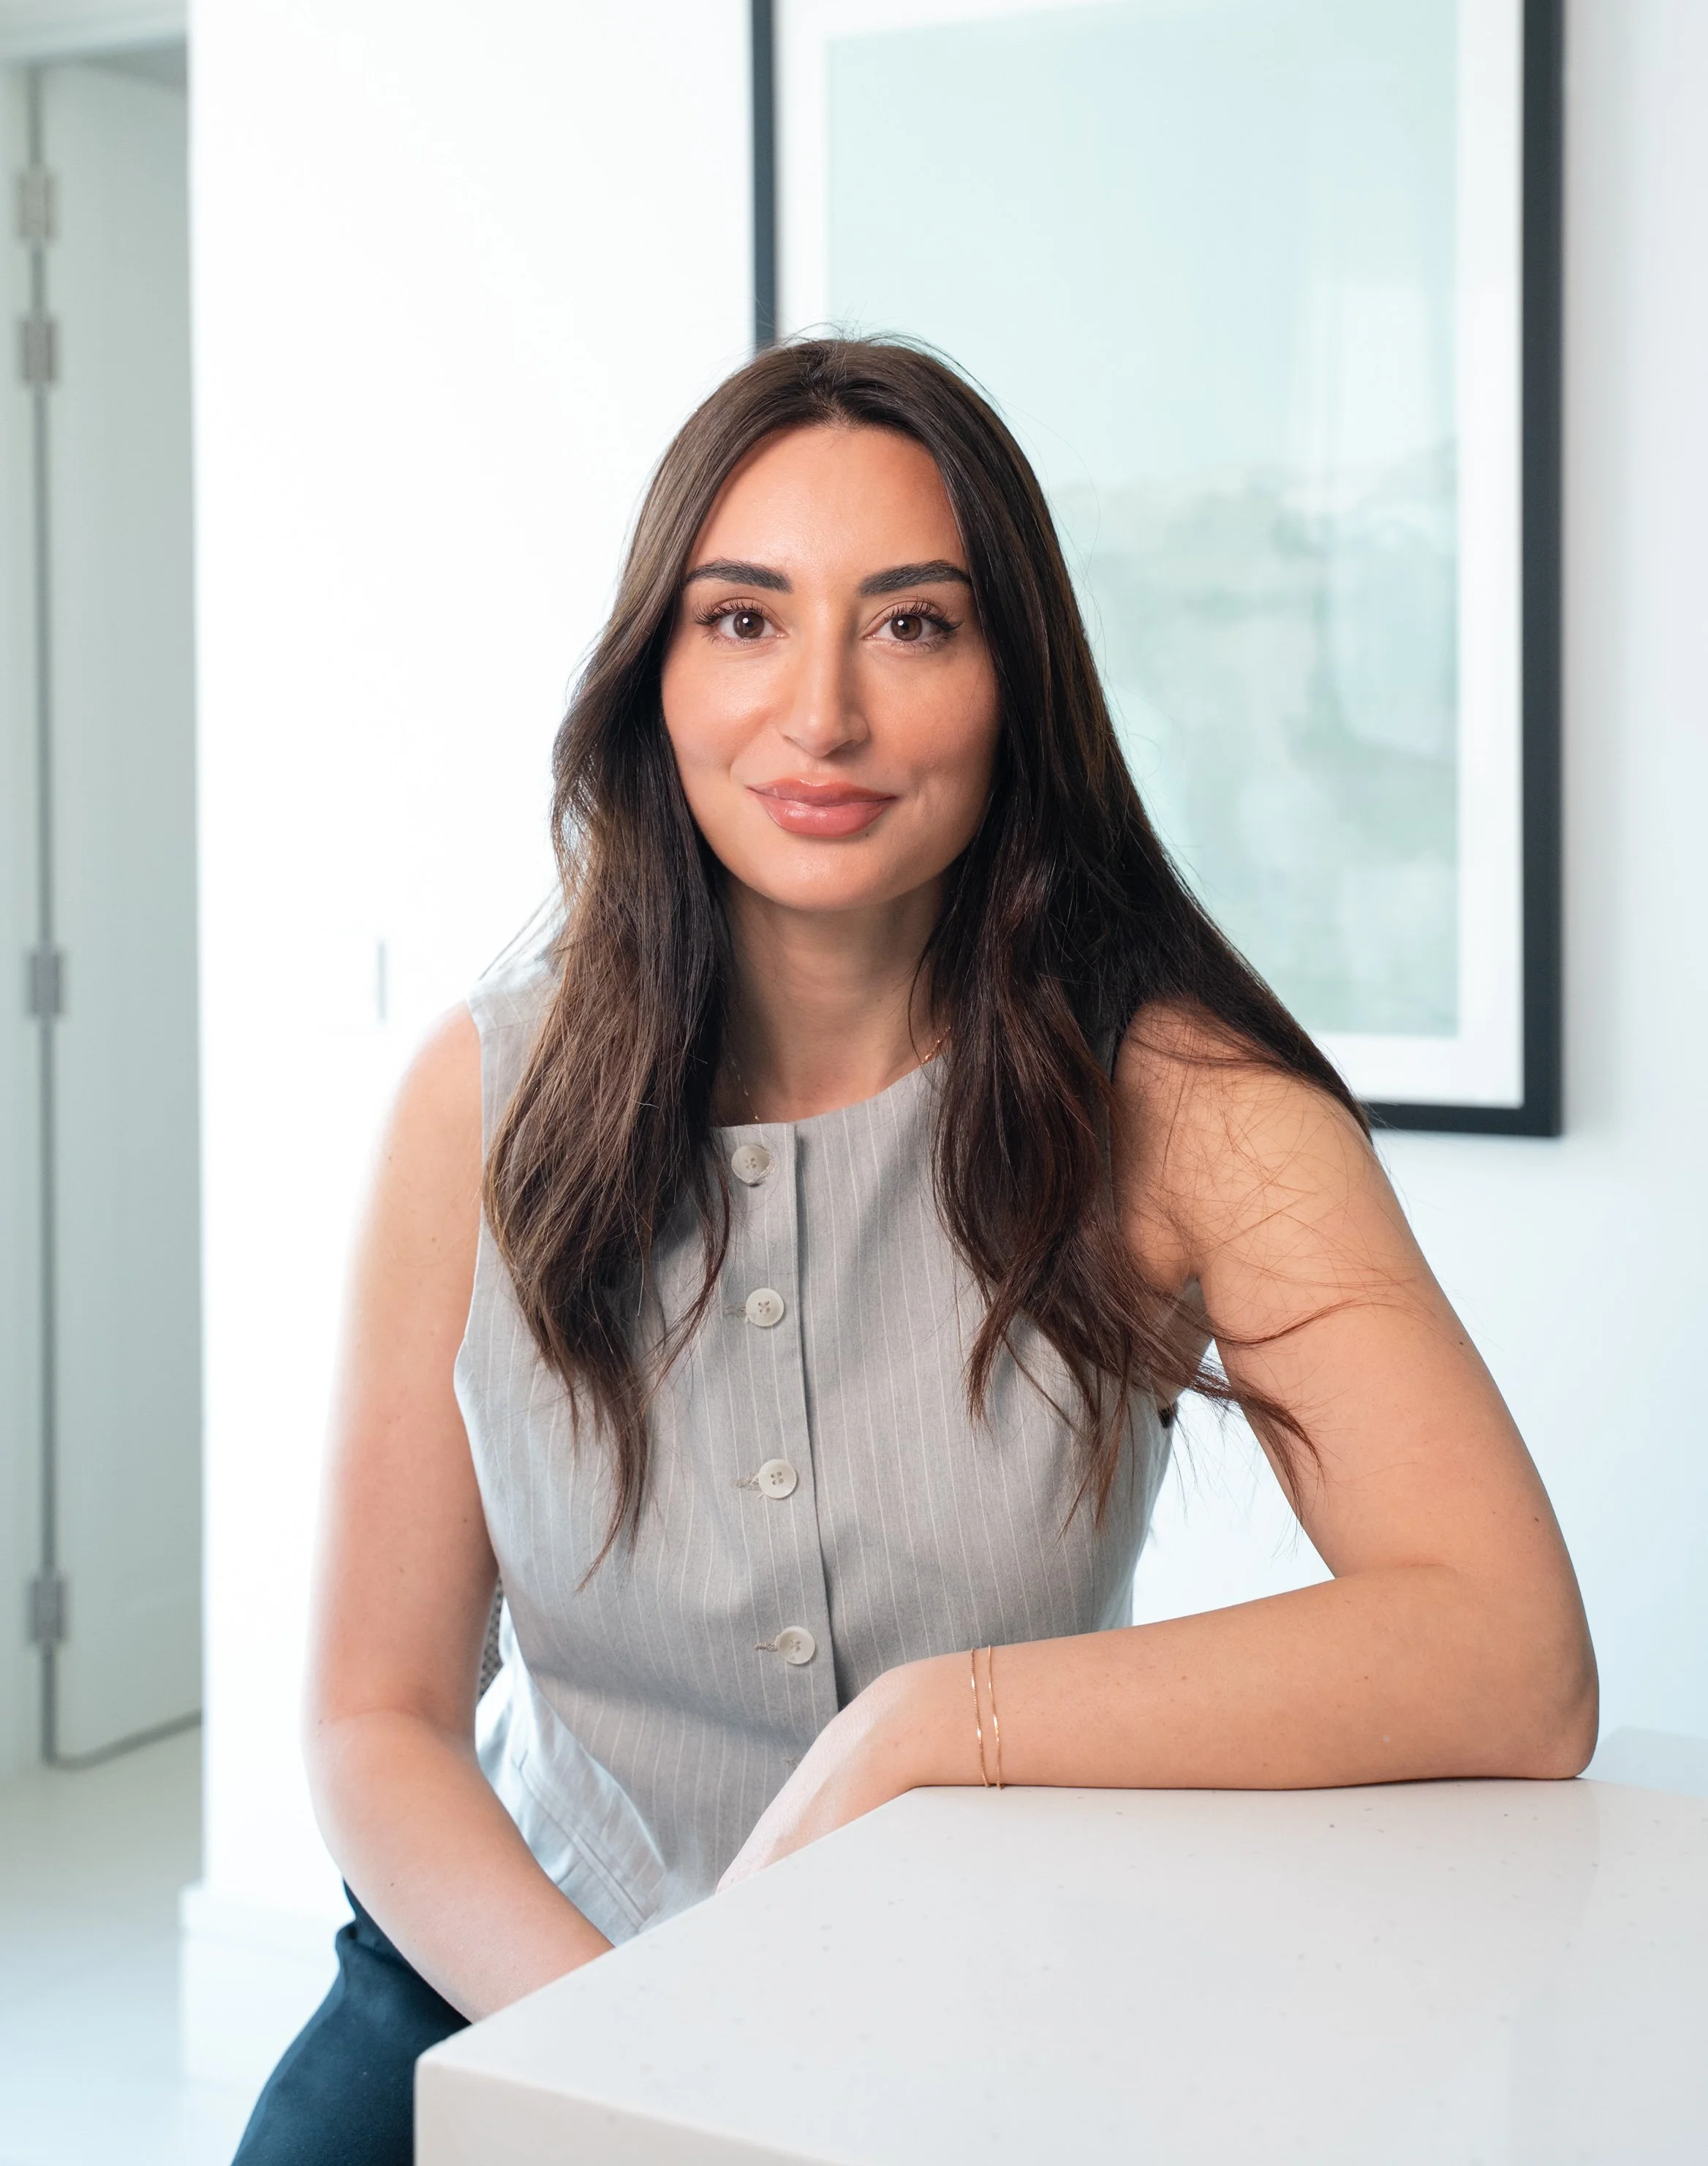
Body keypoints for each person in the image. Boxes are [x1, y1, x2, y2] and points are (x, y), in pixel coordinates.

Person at [234, 336, 1595, 2164]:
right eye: (742, 620)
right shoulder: (474, 1097)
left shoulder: (1190, 1103)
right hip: (509, 1975)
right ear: (656, 673)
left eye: (911, 625)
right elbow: (374, 1715)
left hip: (977, 2001)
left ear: (1015, 684)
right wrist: (626, 2061)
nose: (820, 718)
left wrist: (935, 1725)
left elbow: (1514, 1658)